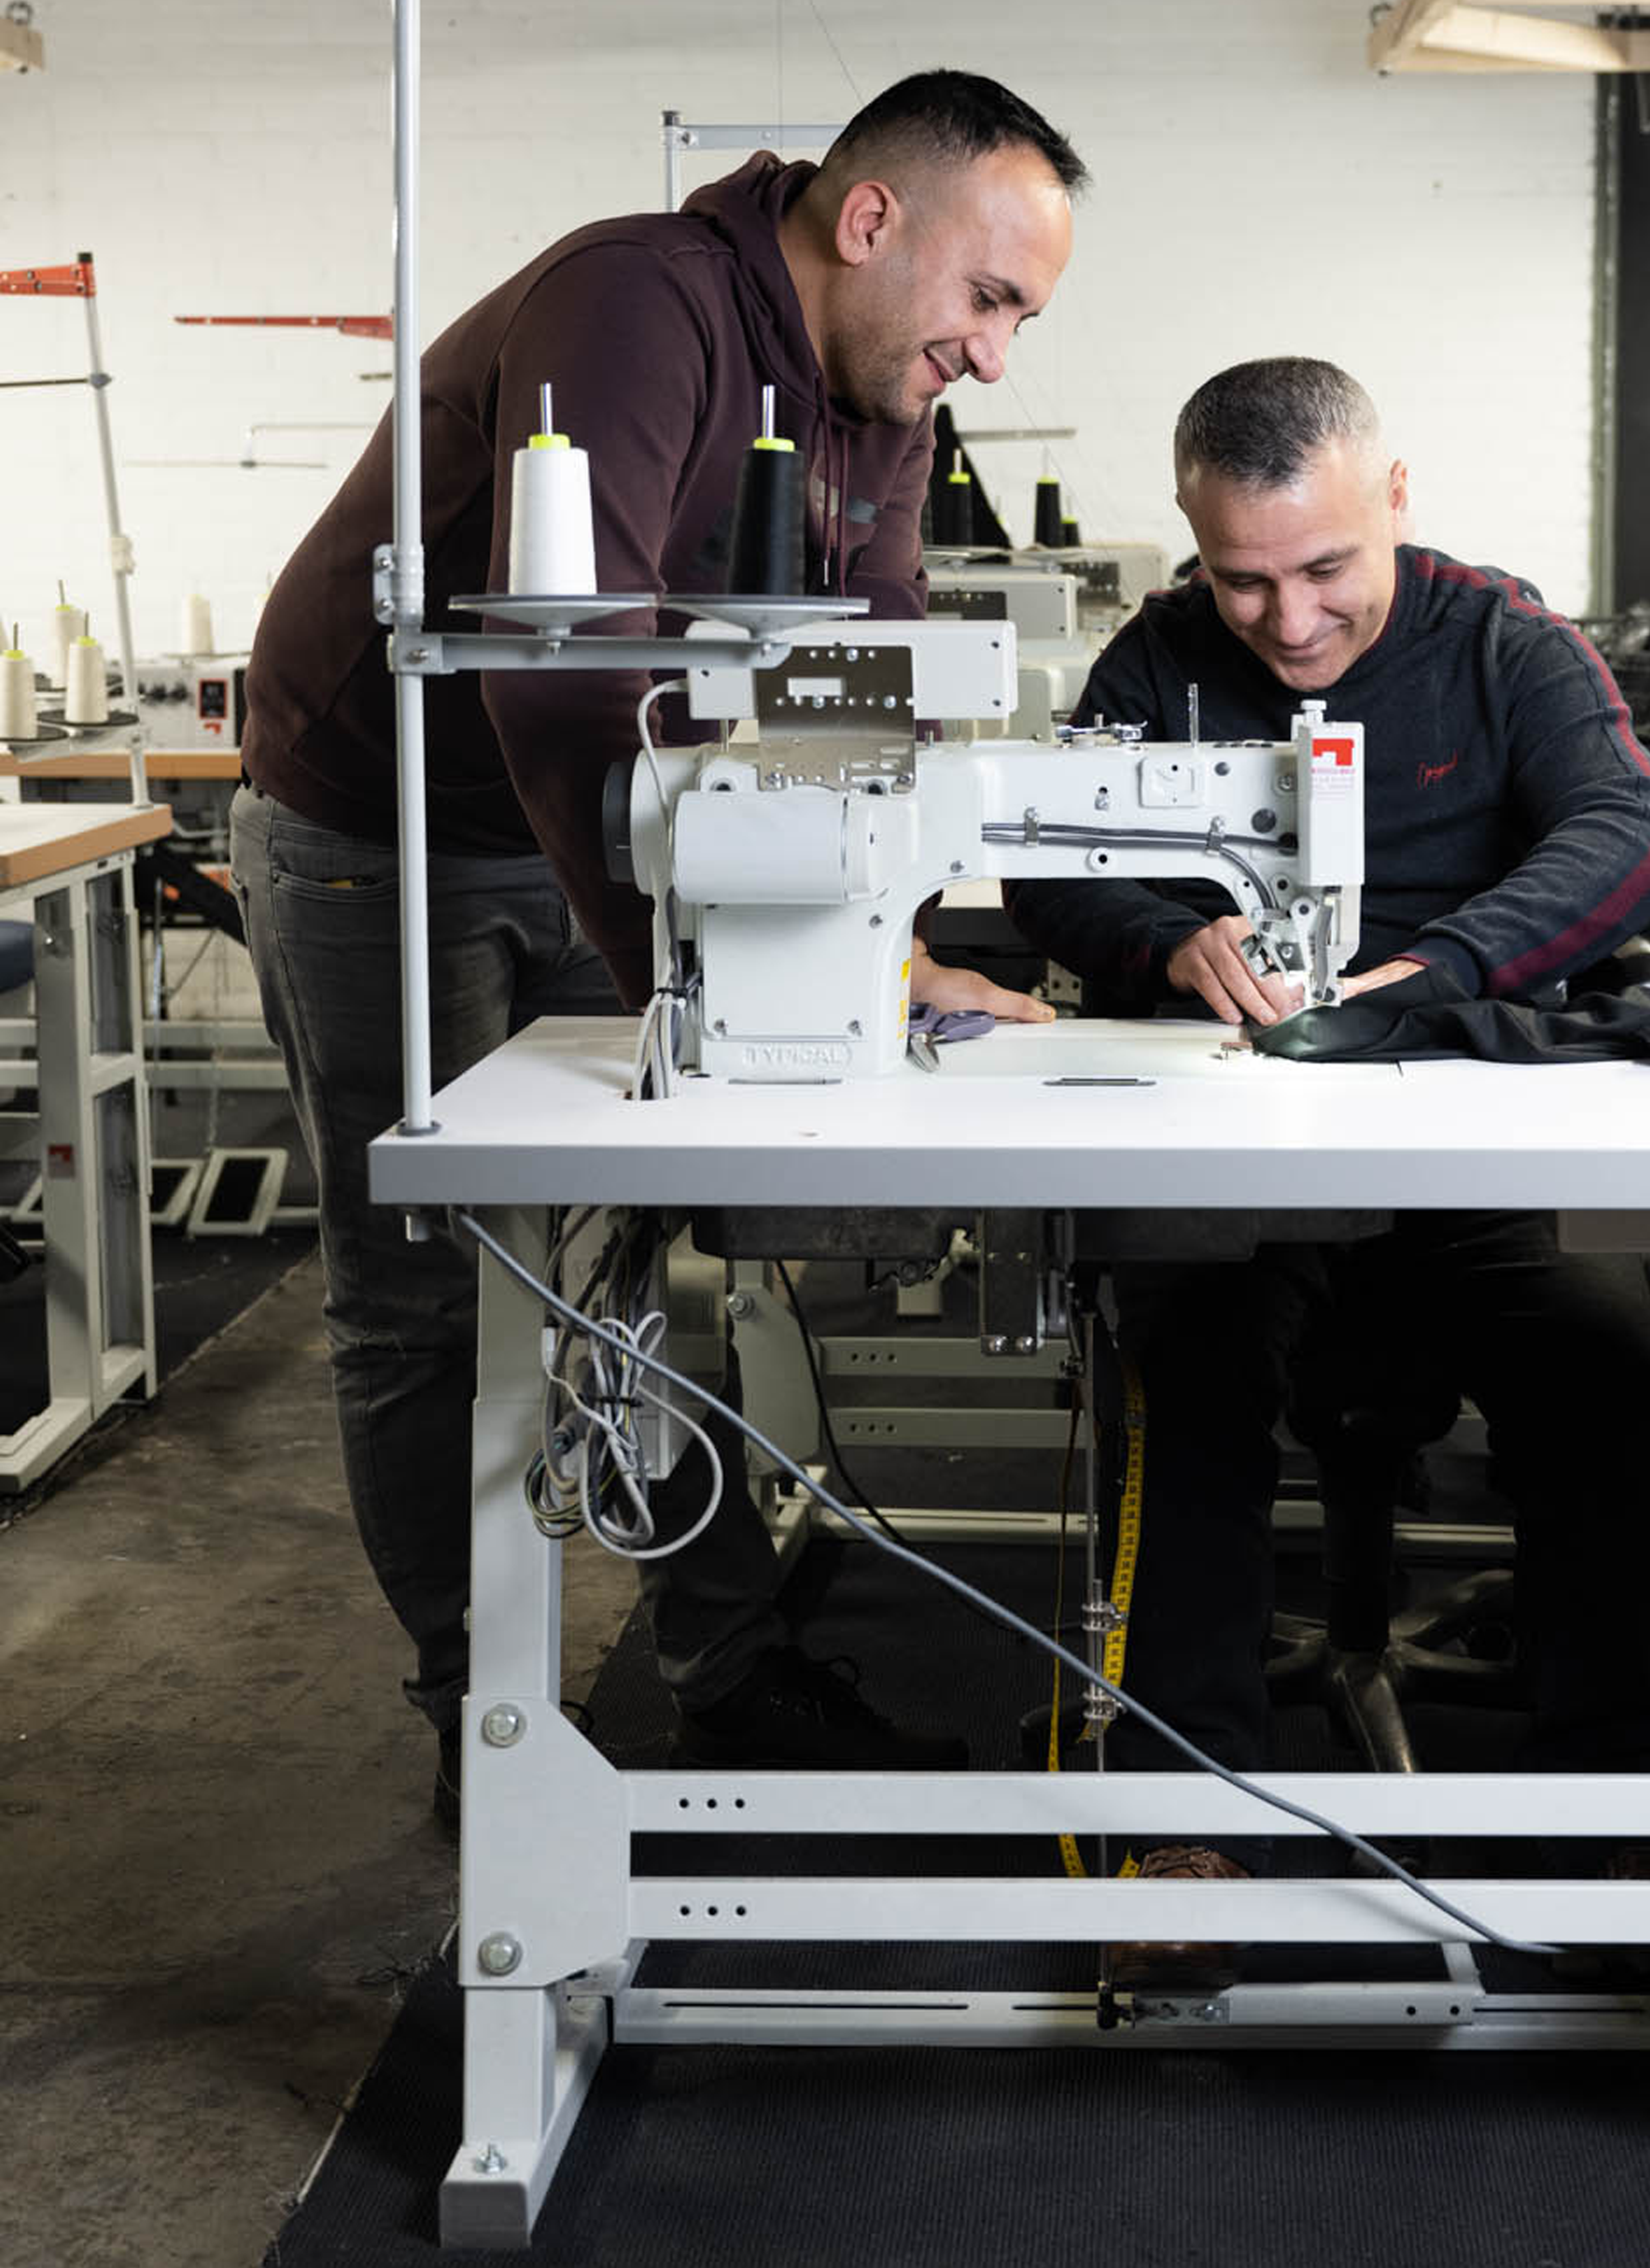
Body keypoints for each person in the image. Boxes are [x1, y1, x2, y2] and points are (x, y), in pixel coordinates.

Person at [230, 71, 1085, 1825]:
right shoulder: (635, 301)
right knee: (424, 1288)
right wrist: (682, 976)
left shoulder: (878, 390)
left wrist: (889, 950)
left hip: (610, 824)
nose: (994, 355)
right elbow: (568, 665)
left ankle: (725, 1666)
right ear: (869, 223)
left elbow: (886, 677)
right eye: (986, 299)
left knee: (639, 1255)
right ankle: (489, 1728)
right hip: (384, 833)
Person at [1003, 358, 1650, 1966]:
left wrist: (1443, 968)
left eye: (1323, 573)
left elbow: (1630, 836)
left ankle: (1616, 1811)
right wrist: (1174, 946)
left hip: (1464, 1130)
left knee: (1606, 1378)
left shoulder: (1502, 640)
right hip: (1234, 1142)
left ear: (1395, 499)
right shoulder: (1159, 657)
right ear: (1191, 540)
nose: (1289, 624)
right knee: (1192, 1387)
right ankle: (1191, 1823)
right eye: (1242, 580)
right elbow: (1048, 870)